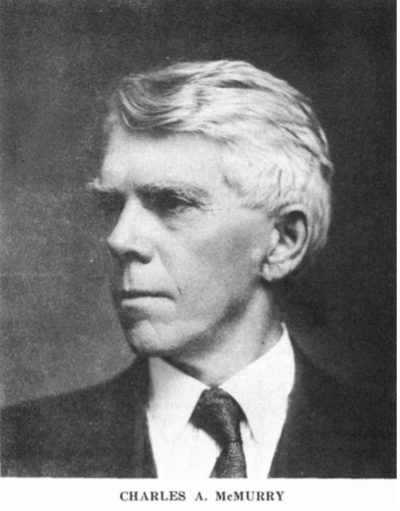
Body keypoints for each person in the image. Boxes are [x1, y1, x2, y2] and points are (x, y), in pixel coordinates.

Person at [1, 60, 389, 478]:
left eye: (173, 202)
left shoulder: (383, 441)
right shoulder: (18, 446)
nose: (119, 238)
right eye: (113, 204)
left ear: (283, 241)